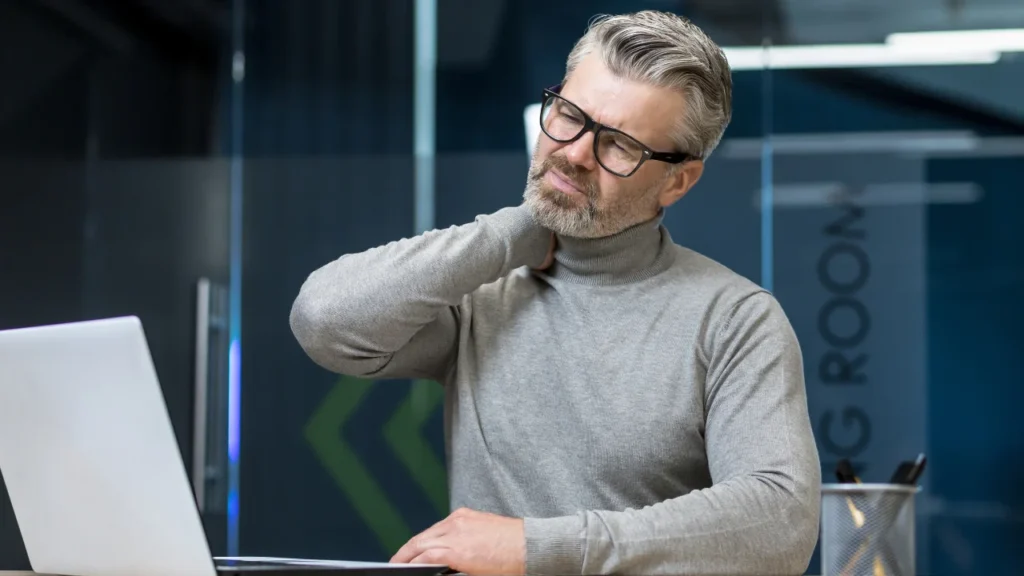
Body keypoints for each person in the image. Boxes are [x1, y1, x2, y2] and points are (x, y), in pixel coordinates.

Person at [290, 9, 820, 576]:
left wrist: (536, 548)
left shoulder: (735, 320)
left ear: (677, 180)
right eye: (569, 115)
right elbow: (325, 321)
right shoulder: (483, 291)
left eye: (618, 145)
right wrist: (511, 232)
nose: (573, 153)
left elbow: (780, 519)